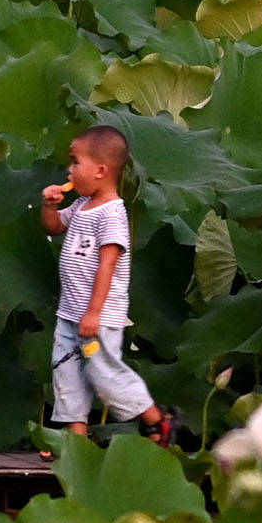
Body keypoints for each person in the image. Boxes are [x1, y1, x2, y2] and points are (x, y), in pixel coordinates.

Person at [43, 126, 173, 444]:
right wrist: (48, 206)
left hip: (97, 316)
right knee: (67, 372)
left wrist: (94, 312)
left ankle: (157, 421)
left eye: (75, 162)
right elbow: (55, 226)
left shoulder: (111, 213)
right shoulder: (81, 206)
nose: (69, 170)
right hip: (70, 313)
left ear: (100, 171)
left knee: (103, 374)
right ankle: (75, 442)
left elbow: (109, 264)